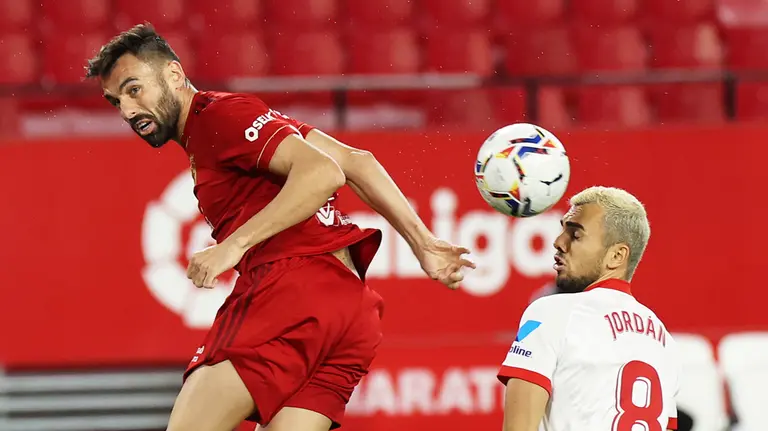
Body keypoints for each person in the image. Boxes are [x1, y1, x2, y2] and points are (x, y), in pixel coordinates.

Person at [85, 23, 475, 431]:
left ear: (174, 75)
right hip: (350, 312)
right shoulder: (228, 120)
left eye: (134, 90)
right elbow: (356, 161)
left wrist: (233, 246)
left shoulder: (218, 116)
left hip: (291, 295)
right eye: (116, 102)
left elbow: (324, 173)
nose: (128, 111)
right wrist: (423, 242)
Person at [497, 186, 681, 431]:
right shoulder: (664, 340)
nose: (558, 242)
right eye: (563, 229)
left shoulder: (549, 313)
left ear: (616, 256)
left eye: (575, 235)